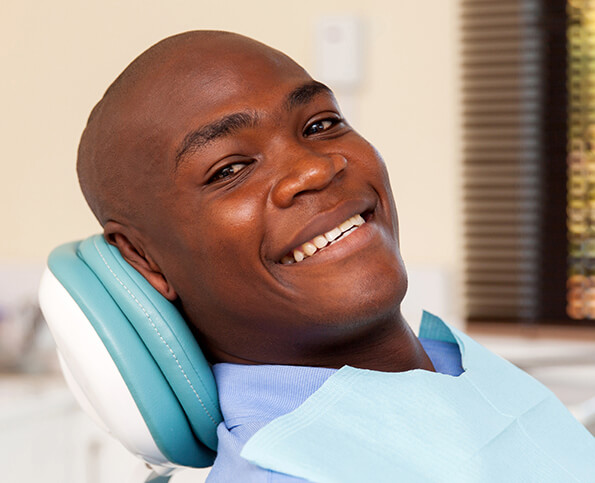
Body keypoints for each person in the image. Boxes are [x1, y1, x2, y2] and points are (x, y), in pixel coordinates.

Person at [76, 31, 595, 482]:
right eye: (230, 169)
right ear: (145, 259)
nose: (315, 170)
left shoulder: (460, 370)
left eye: (320, 124)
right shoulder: (291, 472)